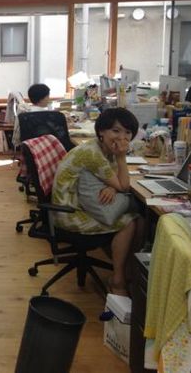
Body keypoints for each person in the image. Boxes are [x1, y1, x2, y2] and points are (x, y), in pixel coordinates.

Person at [51, 107, 142, 296]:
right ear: (101, 131)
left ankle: (127, 273)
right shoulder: (92, 153)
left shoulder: (102, 147)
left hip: (81, 202)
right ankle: (118, 280)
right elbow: (124, 185)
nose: (122, 137)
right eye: (115, 130)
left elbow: (117, 180)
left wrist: (113, 186)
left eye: (127, 132)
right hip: (69, 212)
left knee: (138, 218)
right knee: (132, 222)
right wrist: (121, 159)